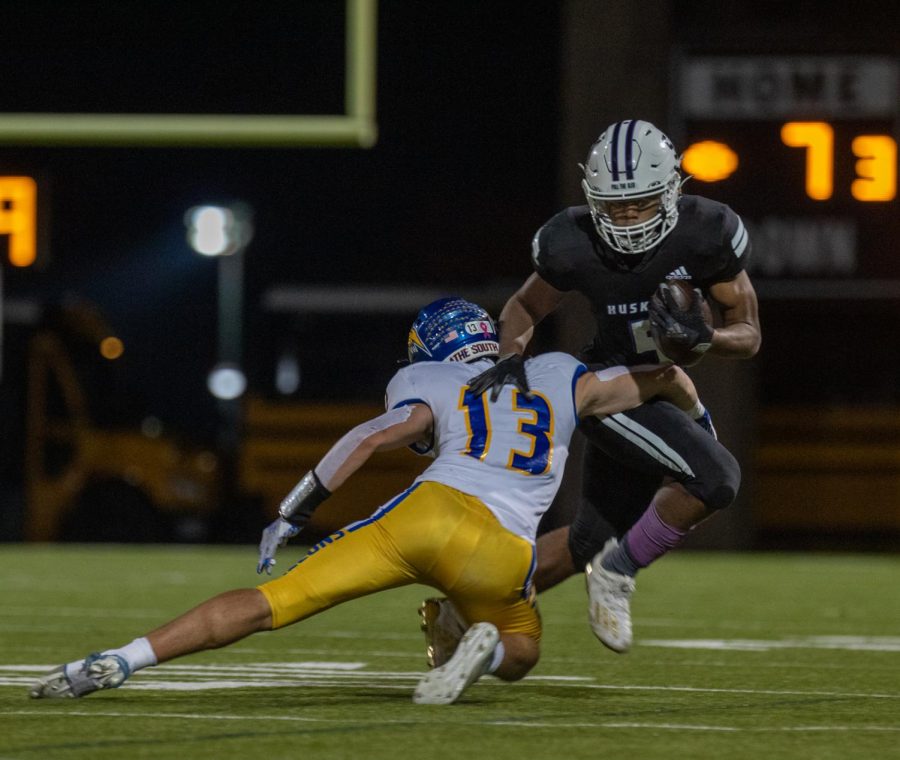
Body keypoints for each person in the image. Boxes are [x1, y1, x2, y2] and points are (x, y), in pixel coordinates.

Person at [29, 296, 702, 706]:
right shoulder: (561, 374)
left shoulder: (427, 375)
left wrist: (294, 508)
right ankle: (483, 649)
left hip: (426, 515)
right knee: (523, 648)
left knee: (274, 603)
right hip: (502, 547)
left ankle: (122, 660)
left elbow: (373, 436)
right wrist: (702, 431)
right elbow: (664, 375)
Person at [423, 119, 761, 663]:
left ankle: (461, 611)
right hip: (608, 387)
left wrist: (706, 338)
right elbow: (525, 307)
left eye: (641, 203)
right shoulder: (572, 241)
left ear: (673, 188)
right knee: (717, 478)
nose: (627, 218)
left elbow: (748, 336)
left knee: (586, 539)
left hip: (663, 388)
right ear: (591, 198)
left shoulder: (705, 233)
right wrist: (509, 358)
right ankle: (618, 571)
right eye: (614, 206)